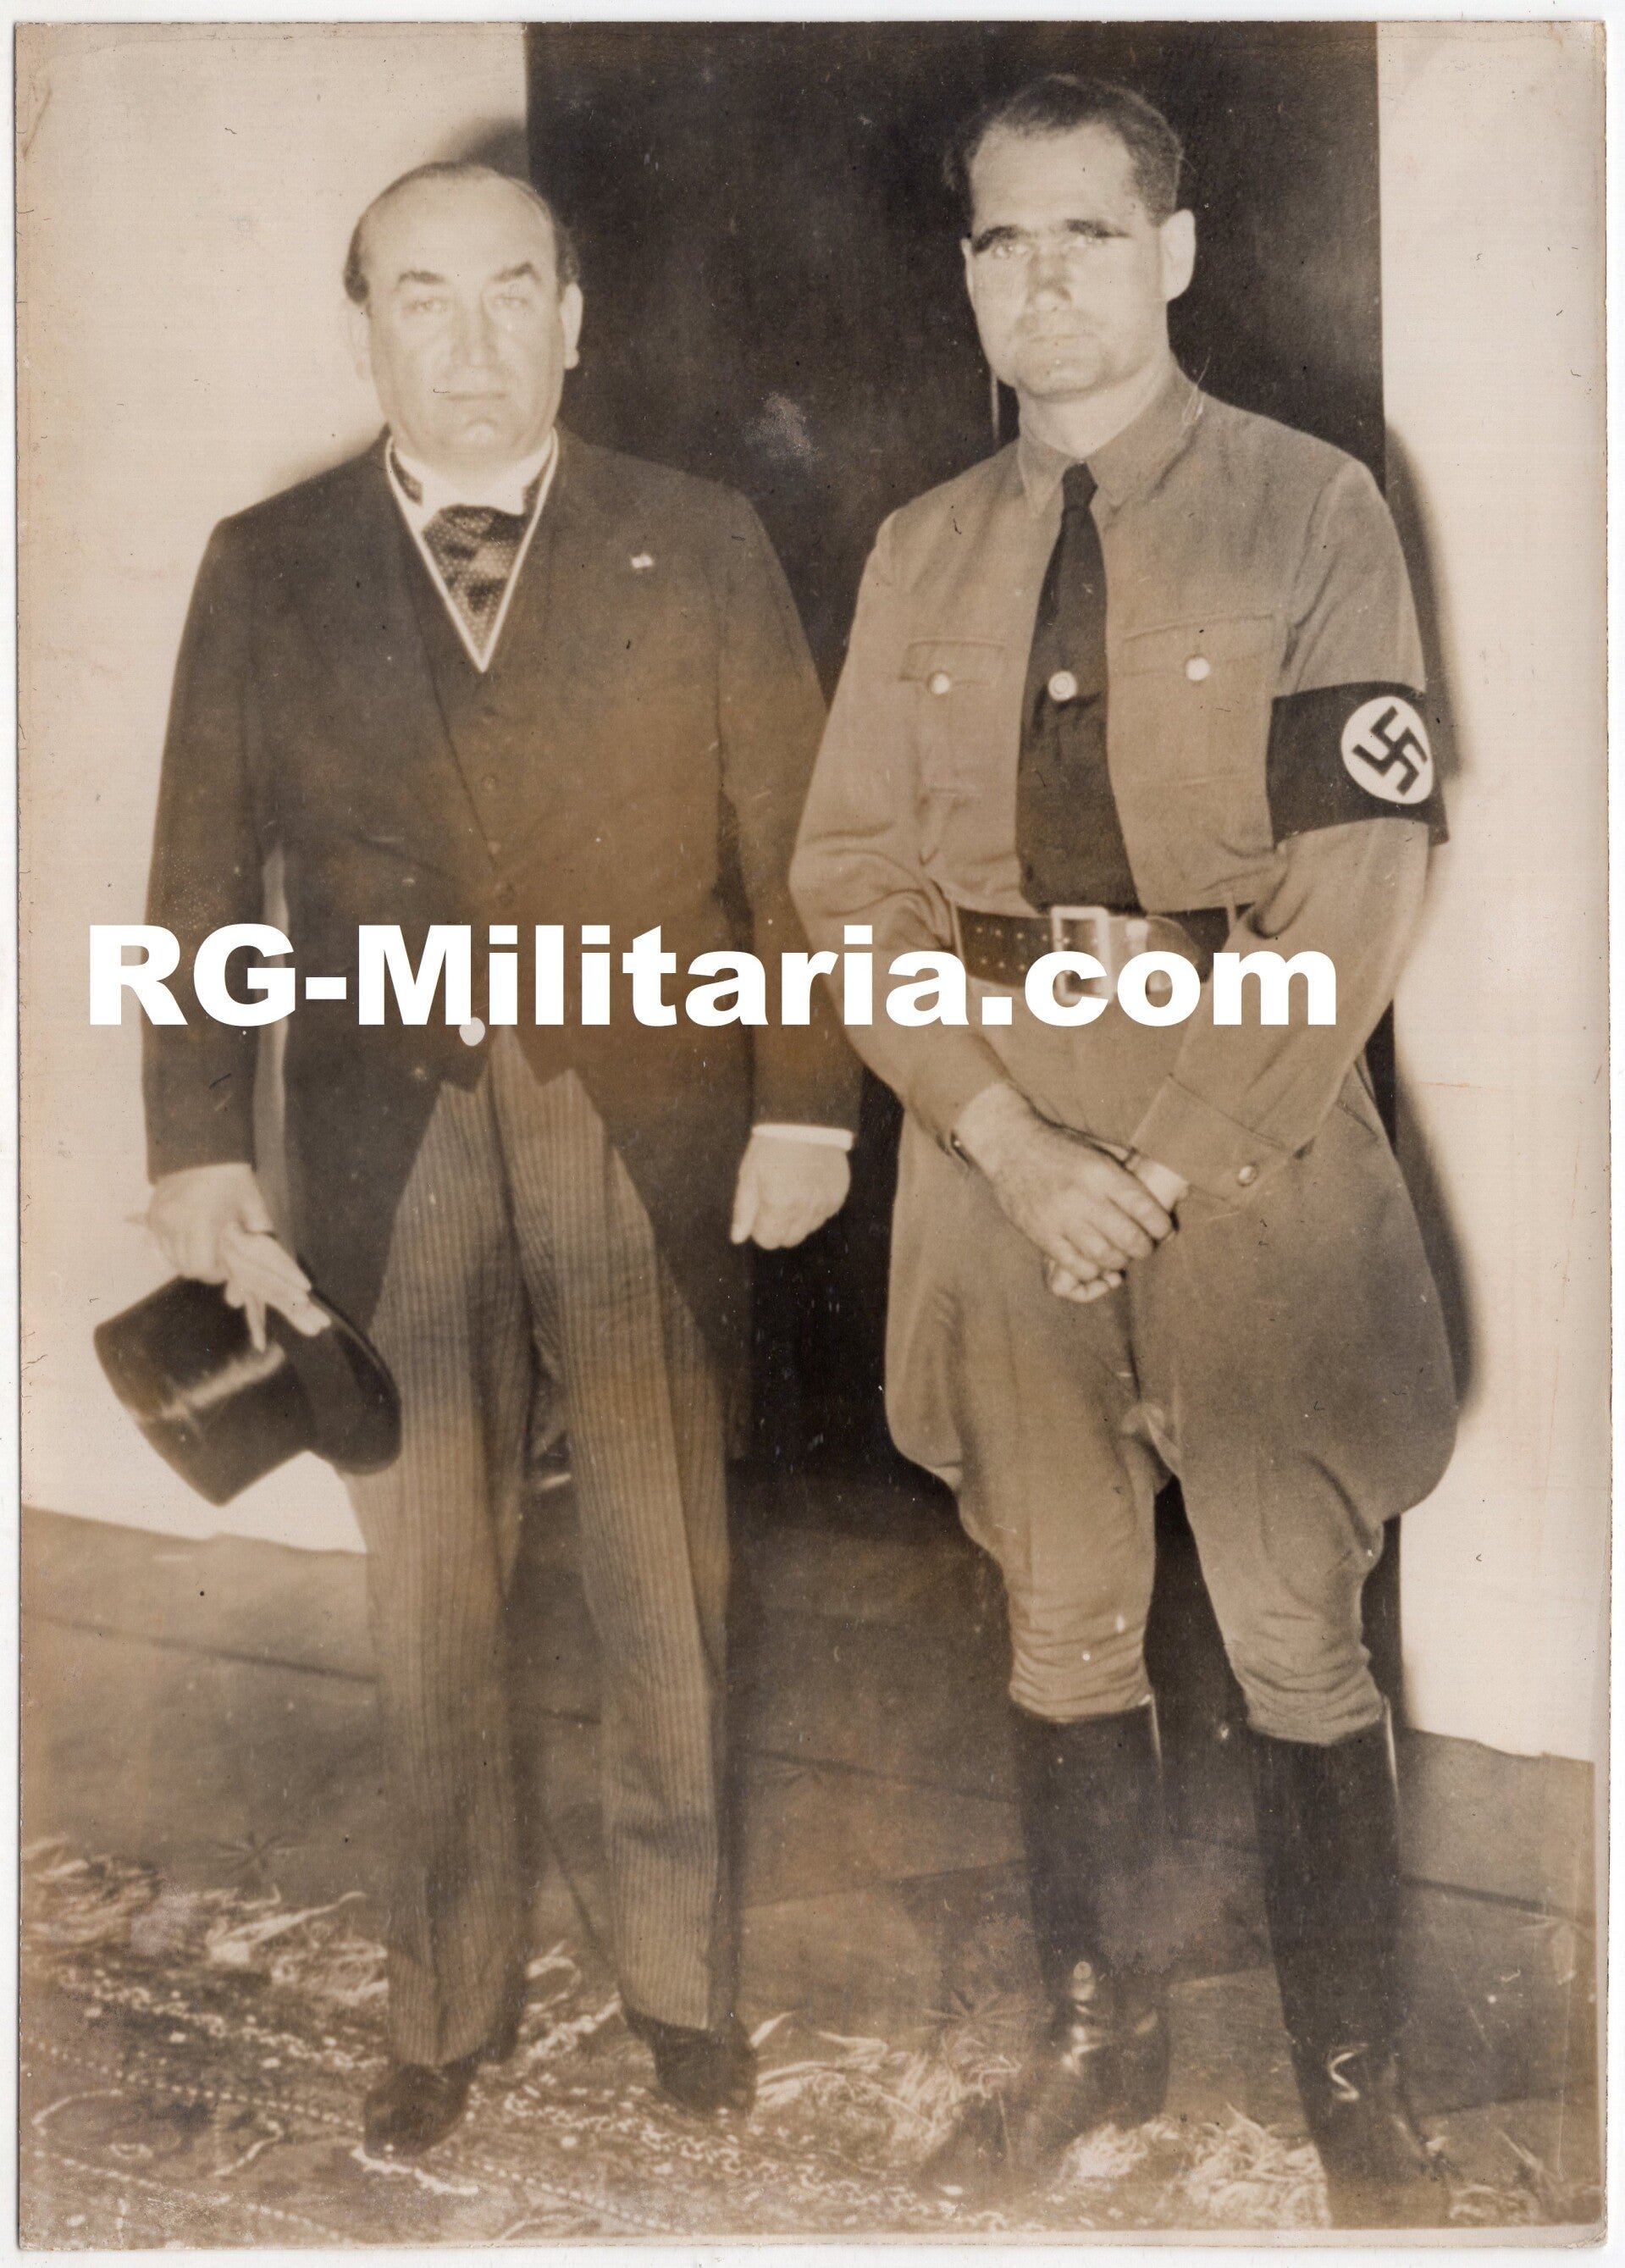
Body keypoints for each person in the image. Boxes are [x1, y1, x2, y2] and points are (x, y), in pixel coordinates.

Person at [791, 75, 1456, 2227]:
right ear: (967, 268)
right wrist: (995, 1132)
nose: (1042, 280)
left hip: (1243, 1122)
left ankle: (1356, 2079)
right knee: (1061, 1610)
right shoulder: (918, 546)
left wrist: (1158, 1156)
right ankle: (1101, 2040)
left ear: (1174, 253)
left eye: (1087, 234)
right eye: (1001, 240)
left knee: (1293, 1617)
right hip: (995, 1131)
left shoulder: (1311, 505)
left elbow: (1358, 887)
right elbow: (850, 885)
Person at [143, 161, 858, 2156]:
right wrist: (199, 1147)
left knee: (664, 1569)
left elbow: (799, 853)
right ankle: (442, 2005)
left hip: (650, 1124)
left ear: (574, 315)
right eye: (419, 299)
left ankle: (682, 1986)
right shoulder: (264, 559)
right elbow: (199, 875)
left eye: (507, 295)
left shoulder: (699, 540)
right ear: (359, 323)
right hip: (388, 1137)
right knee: (429, 1587)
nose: (466, 345)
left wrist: (809, 1098)